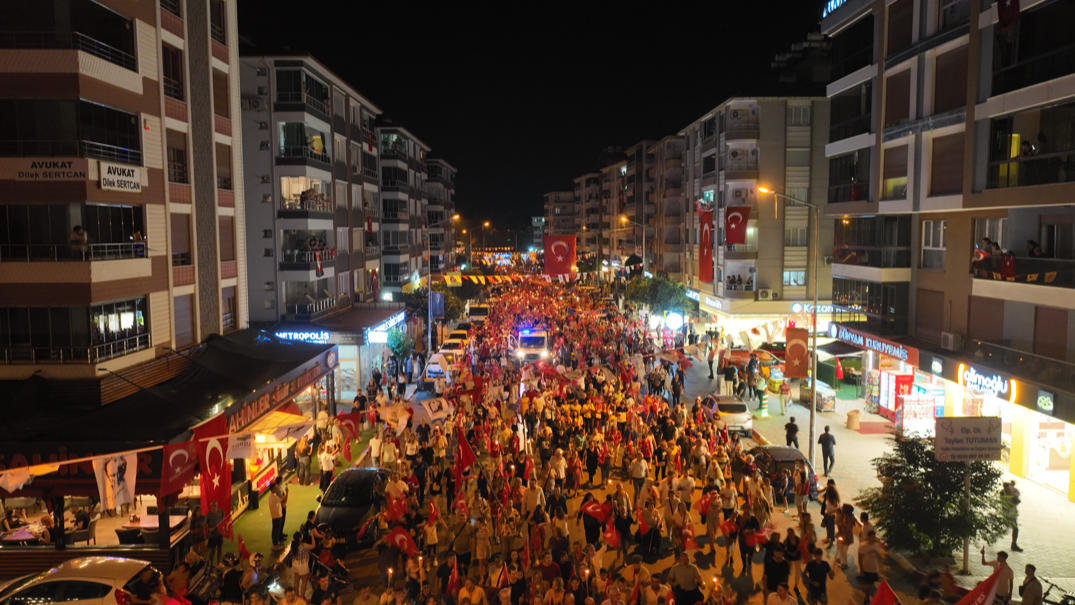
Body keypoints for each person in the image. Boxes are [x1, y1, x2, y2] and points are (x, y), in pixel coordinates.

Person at [859, 531, 885, 605]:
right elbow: (860, 558)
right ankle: (866, 598)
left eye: (874, 537)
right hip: (867, 568)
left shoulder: (876, 546)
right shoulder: (863, 546)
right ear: (869, 537)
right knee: (869, 584)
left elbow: (881, 557)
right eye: (872, 537)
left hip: (875, 569)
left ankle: (868, 596)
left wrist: (878, 554)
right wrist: (861, 569)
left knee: (871, 584)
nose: (874, 538)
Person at [269, 476, 289, 550]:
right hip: (277, 515)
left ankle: (275, 542)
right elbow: (284, 500)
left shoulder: (270, 496)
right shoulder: (274, 497)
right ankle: (275, 544)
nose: (276, 488)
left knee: (275, 529)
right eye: (275, 487)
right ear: (273, 489)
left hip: (275, 515)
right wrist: (287, 492)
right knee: (276, 529)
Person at [1003, 481, 1022, 551]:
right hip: (1008, 514)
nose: (1011, 489)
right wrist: (1016, 501)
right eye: (1009, 488)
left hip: (1013, 514)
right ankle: (1013, 544)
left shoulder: (1012, 493)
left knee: (1014, 529)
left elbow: (1018, 493)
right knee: (1009, 529)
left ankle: (1014, 544)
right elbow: (1010, 503)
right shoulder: (1004, 495)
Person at [205, 500, 225, 564]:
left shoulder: (221, 511)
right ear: (211, 506)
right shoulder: (208, 515)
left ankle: (218, 563)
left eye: (215, 505)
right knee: (212, 550)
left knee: (220, 549)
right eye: (212, 506)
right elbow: (204, 526)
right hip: (212, 535)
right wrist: (209, 529)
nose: (214, 507)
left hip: (220, 534)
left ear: (217, 505)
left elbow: (224, 519)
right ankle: (211, 564)